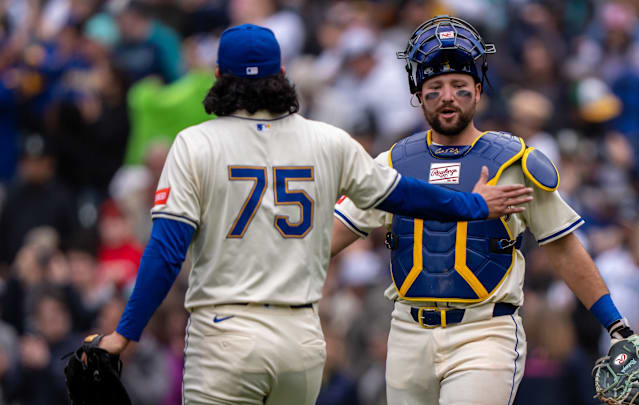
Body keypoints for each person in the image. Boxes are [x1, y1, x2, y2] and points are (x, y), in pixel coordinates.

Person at [87, 24, 533, 404]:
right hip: (300, 338)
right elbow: (405, 195)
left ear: (218, 76)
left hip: (224, 331)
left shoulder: (195, 143)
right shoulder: (327, 140)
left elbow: (165, 253)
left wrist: (125, 335)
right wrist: (473, 204)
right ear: (281, 74)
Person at [331, 15, 639, 405]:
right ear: (418, 93)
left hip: (485, 330)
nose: (447, 96)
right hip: (406, 331)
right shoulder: (392, 161)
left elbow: (563, 246)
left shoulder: (513, 161)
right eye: (435, 87)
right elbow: (334, 233)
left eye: (459, 86)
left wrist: (617, 325)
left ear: (479, 91)